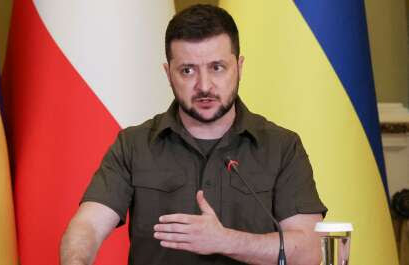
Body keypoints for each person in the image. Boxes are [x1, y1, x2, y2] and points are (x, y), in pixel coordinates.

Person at [60, 4, 327, 265]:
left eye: (217, 67)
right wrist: (76, 259)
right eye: (187, 70)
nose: (204, 86)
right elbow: (88, 225)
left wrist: (225, 240)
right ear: (168, 74)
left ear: (239, 66)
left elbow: (311, 250)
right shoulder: (133, 145)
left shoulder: (282, 146)